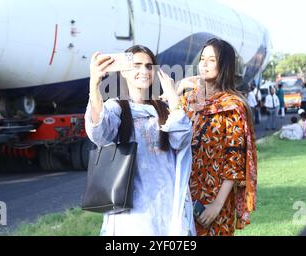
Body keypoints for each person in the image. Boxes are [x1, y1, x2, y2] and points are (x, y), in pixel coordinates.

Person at [85, 45, 195, 236]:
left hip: (167, 206)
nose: (144, 71)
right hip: (133, 213)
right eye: (136, 65)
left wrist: (173, 98)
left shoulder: (164, 109)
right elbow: (99, 133)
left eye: (148, 66)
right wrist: (94, 85)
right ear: (125, 72)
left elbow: (182, 140)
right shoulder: (116, 108)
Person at [176, 38, 257, 236]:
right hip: (183, 198)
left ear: (224, 65)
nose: (203, 63)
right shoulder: (189, 100)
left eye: (211, 60)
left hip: (213, 202)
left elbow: (234, 160)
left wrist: (216, 205)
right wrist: (178, 89)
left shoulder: (231, 106)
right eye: (202, 58)